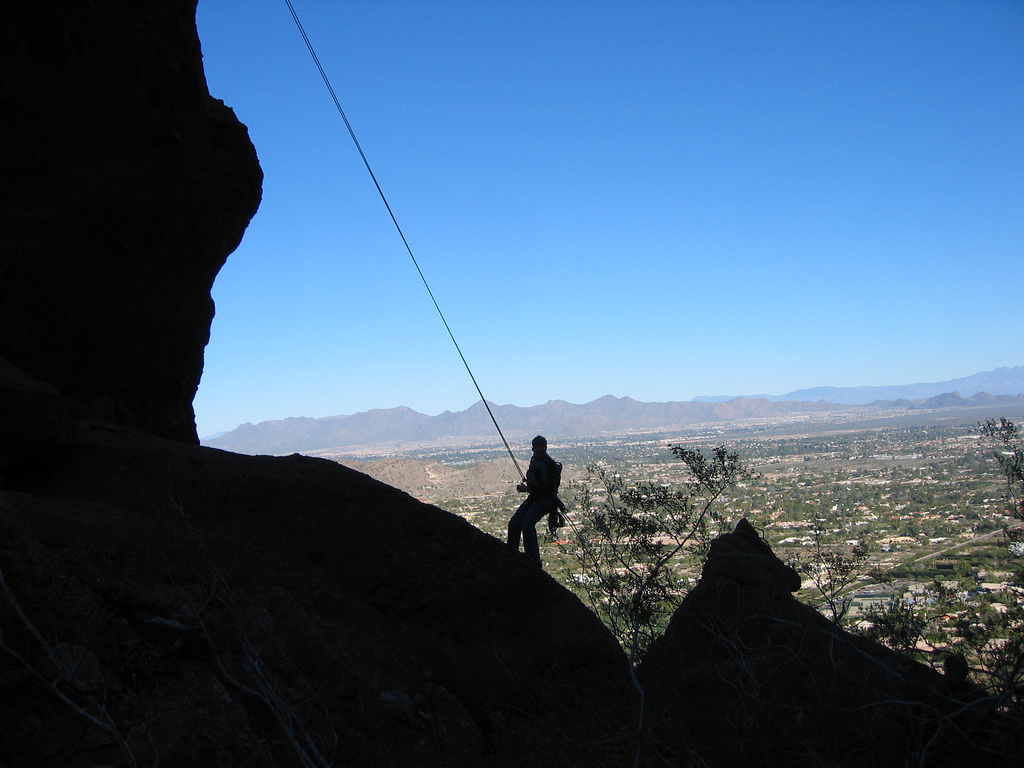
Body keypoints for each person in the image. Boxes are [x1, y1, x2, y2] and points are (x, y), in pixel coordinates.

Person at [507, 435, 558, 566]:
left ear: (546, 448)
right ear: (533, 449)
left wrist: (528, 490)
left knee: (527, 525)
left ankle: (534, 559)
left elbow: (547, 489)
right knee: (513, 523)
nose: (540, 454)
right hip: (534, 498)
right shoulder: (534, 460)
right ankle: (510, 553)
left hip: (545, 501)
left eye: (542, 451)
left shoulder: (549, 465)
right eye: (537, 451)